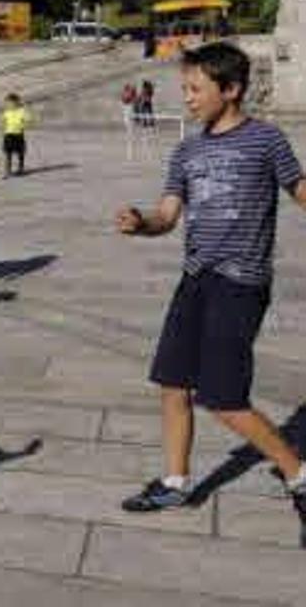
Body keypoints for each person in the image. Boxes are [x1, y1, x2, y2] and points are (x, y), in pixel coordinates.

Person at [116, 42, 306, 532]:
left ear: (232, 89)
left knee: (223, 398)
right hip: (195, 278)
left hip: (240, 285)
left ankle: (299, 475)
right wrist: (143, 223)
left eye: (196, 89)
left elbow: (301, 191)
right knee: (173, 384)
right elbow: (167, 215)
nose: (188, 98)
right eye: (185, 89)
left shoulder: (266, 141)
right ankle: (176, 483)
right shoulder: (187, 149)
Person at [0, 93, 31, 177]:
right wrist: (3, 126)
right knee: (7, 153)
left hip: (18, 134)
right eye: (7, 103)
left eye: (11, 102)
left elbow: (28, 120)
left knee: (20, 152)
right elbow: (3, 121)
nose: (9, 105)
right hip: (8, 134)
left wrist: (23, 126)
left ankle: (20, 169)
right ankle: (7, 171)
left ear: (17, 102)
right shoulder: (6, 112)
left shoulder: (22, 111)